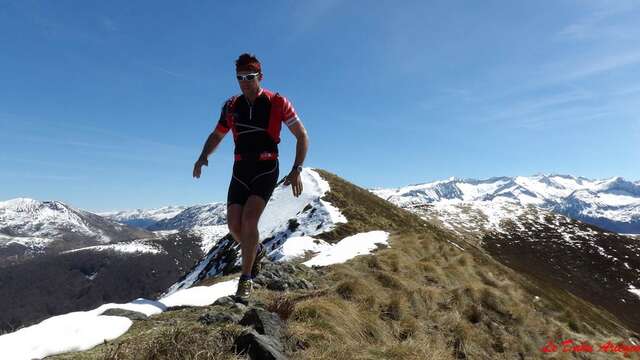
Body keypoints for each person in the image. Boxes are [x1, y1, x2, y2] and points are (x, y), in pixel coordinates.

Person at [193, 53, 309, 299]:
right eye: (240, 77)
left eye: (250, 76)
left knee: (249, 221)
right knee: (234, 226)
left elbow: (302, 135)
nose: (244, 81)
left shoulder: (278, 102)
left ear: (260, 77)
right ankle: (256, 251)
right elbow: (217, 135)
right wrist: (204, 155)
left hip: (266, 168)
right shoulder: (231, 106)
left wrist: (297, 168)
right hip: (240, 170)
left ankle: (246, 279)